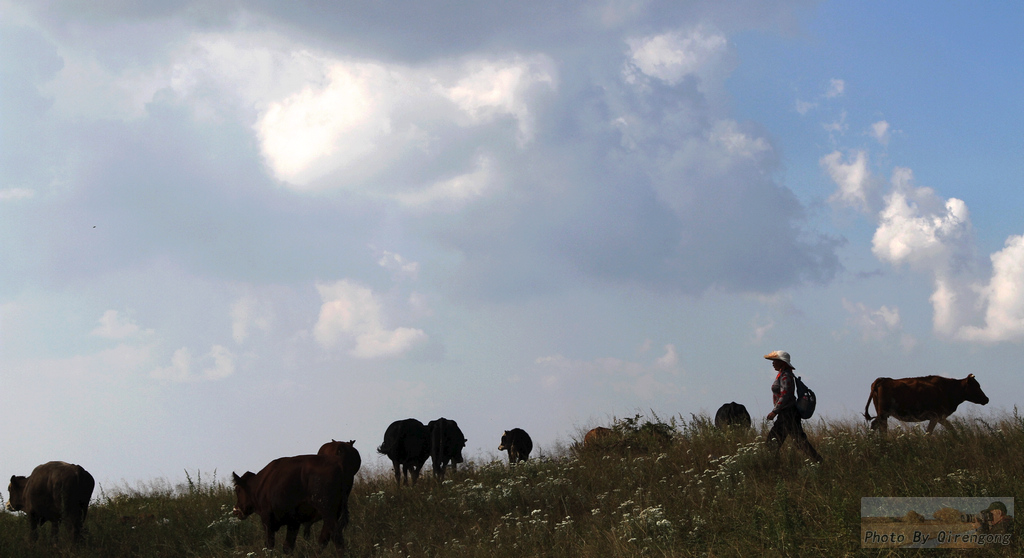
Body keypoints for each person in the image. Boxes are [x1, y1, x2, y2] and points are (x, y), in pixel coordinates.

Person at [764, 350, 822, 463]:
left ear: (782, 363)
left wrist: (774, 411)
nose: (773, 363)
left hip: (787, 413)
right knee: (799, 441)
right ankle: (818, 461)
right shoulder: (783, 374)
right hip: (788, 413)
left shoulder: (786, 376)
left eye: (775, 361)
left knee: (773, 442)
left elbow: (785, 395)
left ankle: (771, 466)